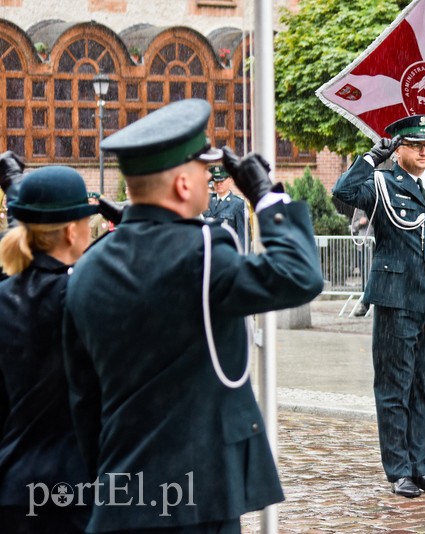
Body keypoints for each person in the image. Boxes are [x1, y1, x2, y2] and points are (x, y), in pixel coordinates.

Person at [62, 98, 324, 532]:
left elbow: (83, 401)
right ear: (183, 184)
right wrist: (267, 197)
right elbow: (299, 276)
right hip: (200, 494)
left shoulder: (88, 267)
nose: (210, 178)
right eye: (204, 169)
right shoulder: (203, 253)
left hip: (120, 491)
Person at [332, 115, 425, 498]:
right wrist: (371, 158)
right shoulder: (382, 184)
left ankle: (423, 467)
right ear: (398, 148)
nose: (424, 151)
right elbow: (343, 195)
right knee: (394, 387)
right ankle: (399, 470)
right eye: (415, 145)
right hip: (396, 298)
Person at [0, 160, 95, 533]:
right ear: (72, 232)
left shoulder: (5, 295)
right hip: (71, 493)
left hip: (10, 484)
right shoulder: (85, 296)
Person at [205, 164, 248, 248]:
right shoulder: (206, 200)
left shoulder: (238, 204)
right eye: (216, 181)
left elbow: (242, 235)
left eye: (222, 181)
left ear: (230, 181)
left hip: (227, 250)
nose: (218, 184)